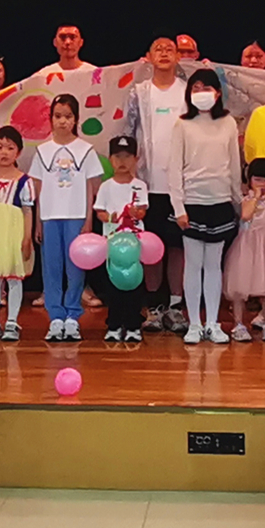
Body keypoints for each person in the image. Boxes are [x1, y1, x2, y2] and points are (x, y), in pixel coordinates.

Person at [123, 37, 191, 332]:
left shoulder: (188, 92)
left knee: (176, 247)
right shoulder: (139, 92)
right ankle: (153, 307)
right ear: (148, 57)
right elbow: (128, 133)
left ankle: (175, 306)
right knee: (151, 246)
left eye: (169, 49)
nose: (164, 54)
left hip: (181, 185)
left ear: (178, 57)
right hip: (147, 183)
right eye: (158, 50)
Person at [171, 69, 243, 346]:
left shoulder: (228, 123)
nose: (201, 92)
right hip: (192, 202)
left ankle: (212, 323)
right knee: (193, 265)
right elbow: (174, 168)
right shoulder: (182, 124)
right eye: (196, 87)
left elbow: (234, 165)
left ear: (217, 92)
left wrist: (237, 200)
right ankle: (194, 324)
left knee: (214, 265)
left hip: (220, 202)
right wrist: (178, 207)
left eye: (206, 87)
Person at [29, 95, 104, 341]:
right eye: (58, 116)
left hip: (76, 216)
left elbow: (92, 187)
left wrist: (89, 220)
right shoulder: (42, 151)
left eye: (68, 116)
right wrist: (38, 221)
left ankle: (72, 316)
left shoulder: (86, 150)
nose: (63, 121)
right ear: (51, 119)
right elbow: (38, 189)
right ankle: (55, 317)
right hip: (50, 217)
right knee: (51, 268)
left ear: (76, 119)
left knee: (75, 268)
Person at [0, 125, 36, 341]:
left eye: (10, 148)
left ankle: (12, 321)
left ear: (18, 152)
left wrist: (27, 238)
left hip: (13, 233)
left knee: (14, 278)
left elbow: (27, 211)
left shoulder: (24, 181)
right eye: (0, 147)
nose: (4, 152)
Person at [224, 158, 265, 342]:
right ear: (250, 179)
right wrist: (256, 197)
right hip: (246, 247)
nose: (262, 184)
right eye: (258, 179)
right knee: (239, 289)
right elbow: (246, 215)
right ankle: (239, 324)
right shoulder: (246, 199)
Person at [94, 135, 151, 342]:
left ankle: (134, 325)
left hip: (134, 243)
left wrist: (136, 213)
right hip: (112, 242)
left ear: (136, 159)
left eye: (127, 157)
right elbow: (99, 211)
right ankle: (114, 324)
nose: (122, 162)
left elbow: (143, 210)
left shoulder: (140, 185)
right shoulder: (106, 186)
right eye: (118, 157)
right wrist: (111, 217)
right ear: (110, 159)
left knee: (134, 283)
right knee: (113, 284)